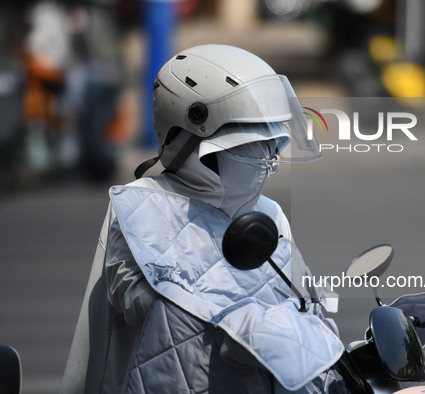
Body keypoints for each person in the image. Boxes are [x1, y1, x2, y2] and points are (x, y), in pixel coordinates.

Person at [60, 44, 350, 394]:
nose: (267, 160)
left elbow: (307, 305)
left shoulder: (267, 212)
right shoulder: (142, 209)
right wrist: (243, 324)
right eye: (247, 146)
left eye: (271, 144)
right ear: (188, 141)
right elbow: (155, 310)